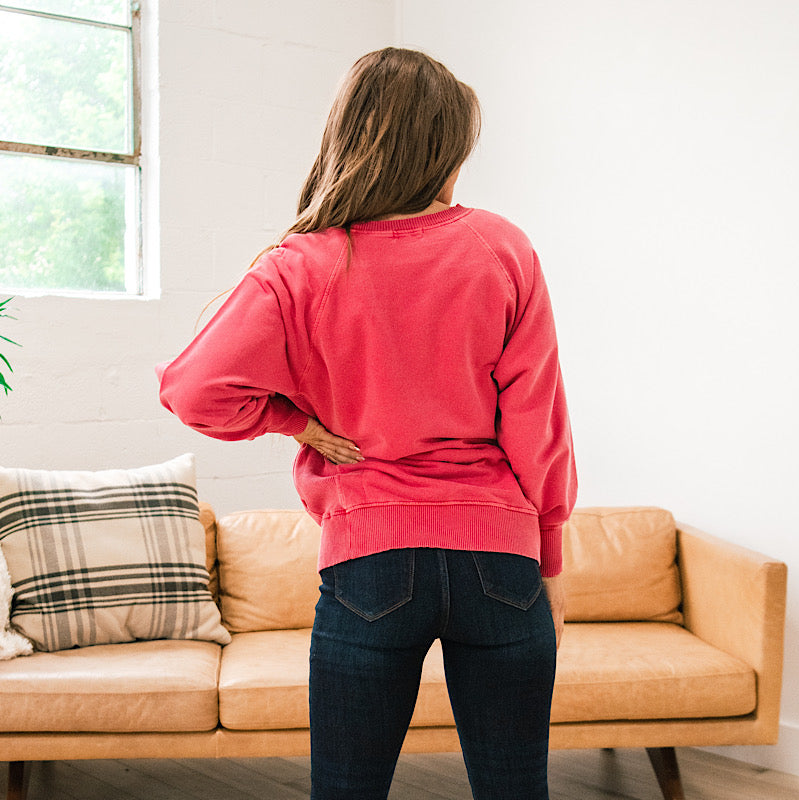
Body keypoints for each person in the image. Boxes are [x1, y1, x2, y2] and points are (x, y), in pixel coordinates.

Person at [157, 46, 577, 800]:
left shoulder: (301, 263)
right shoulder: (501, 248)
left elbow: (194, 391)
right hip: (498, 556)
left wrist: (295, 421)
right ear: (443, 149)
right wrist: (548, 555)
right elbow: (537, 422)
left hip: (370, 558)